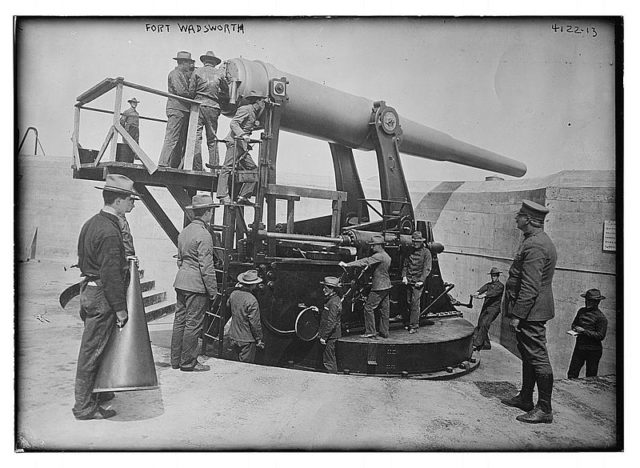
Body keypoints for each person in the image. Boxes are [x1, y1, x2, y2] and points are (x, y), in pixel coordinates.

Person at [72, 174, 138, 420]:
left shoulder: (92, 223)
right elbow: (110, 275)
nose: (132, 204)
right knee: (92, 351)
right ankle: (84, 407)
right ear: (119, 200)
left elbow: (84, 259)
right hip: (102, 295)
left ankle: (98, 393)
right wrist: (120, 309)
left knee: (98, 347)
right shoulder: (111, 232)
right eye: (130, 199)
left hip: (89, 290)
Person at [501, 200, 557, 424]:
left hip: (531, 312)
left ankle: (544, 409)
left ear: (530, 220)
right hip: (531, 310)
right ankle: (526, 397)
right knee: (528, 355)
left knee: (538, 357)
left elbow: (530, 286)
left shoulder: (535, 246)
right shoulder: (532, 240)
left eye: (520, 215)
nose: (517, 218)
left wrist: (517, 315)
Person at [170, 194, 218, 372]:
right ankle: (188, 362)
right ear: (207, 212)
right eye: (211, 211)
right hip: (196, 286)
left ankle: (175, 360)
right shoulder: (204, 235)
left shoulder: (185, 232)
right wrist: (213, 291)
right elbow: (207, 266)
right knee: (193, 324)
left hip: (181, 281)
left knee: (179, 322)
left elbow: (180, 260)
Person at [216, 90, 266, 205]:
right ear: (257, 101)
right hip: (234, 142)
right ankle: (222, 195)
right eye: (263, 101)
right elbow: (234, 123)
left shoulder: (254, 112)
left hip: (242, 145)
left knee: (254, 170)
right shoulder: (246, 109)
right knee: (227, 167)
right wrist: (243, 135)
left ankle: (243, 196)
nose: (264, 104)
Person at [339, 234, 392, 339]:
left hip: (379, 286)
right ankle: (384, 332)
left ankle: (371, 332)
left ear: (379, 245)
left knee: (368, 307)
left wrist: (347, 264)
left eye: (373, 245)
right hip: (387, 285)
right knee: (384, 310)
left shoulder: (378, 256)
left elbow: (365, 261)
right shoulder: (387, 256)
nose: (372, 247)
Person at [189, 51, 228, 170]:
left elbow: (191, 92)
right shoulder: (220, 74)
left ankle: (197, 166)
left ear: (204, 61)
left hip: (198, 106)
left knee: (196, 138)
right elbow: (226, 92)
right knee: (212, 138)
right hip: (213, 107)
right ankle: (214, 166)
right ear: (215, 63)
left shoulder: (197, 72)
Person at [158, 51, 196, 169]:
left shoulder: (181, 74)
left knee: (179, 140)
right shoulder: (175, 74)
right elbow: (181, 92)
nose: (190, 66)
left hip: (182, 110)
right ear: (183, 62)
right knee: (172, 137)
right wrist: (193, 95)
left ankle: (173, 164)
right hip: (176, 109)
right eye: (188, 63)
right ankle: (163, 163)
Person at [567, 288, 608, 379]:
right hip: (580, 348)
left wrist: (584, 331)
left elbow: (600, 336)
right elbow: (574, 324)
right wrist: (575, 328)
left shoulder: (601, 318)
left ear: (597, 302)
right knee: (572, 373)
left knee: (591, 377)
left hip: (593, 351)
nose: (588, 302)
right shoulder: (581, 311)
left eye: (591, 301)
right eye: (587, 300)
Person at [227, 270, 265, 363]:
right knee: (245, 368)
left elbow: (228, 306)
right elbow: (255, 323)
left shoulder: (233, 294)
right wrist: (259, 339)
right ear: (253, 285)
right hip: (246, 340)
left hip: (233, 336)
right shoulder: (252, 300)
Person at [401, 231, 432, 333]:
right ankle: (408, 322)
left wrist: (421, 280)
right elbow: (405, 265)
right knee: (408, 302)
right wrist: (404, 276)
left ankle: (414, 326)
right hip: (409, 280)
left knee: (415, 303)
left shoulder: (426, 252)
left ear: (421, 242)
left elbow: (427, 268)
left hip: (417, 282)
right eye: (413, 241)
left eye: (416, 242)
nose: (414, 244)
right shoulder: (409, 250)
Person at [471, 267, 505, 351]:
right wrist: (477, 293)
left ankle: (476, 344)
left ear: (498, 276)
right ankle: (486, 344)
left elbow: (492, 293)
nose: (493, 277)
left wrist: (483, 295)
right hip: (486, 308)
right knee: (480, 324)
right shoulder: (489, 284)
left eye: (495, 276)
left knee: (485, 324)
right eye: (492, 276)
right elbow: (483, 289)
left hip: (493, 310)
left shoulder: (500, 286)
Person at [318, 276, 343, 373]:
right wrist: (319, 311)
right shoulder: (334, 299)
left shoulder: (333, 303)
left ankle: (332, 379)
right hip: (331, 335)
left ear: (332, 289)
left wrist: (324, 337)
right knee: (329, 358)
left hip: (330, 336)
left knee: (329, 361)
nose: (323, 289)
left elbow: (331, 322)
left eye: (326, 288)